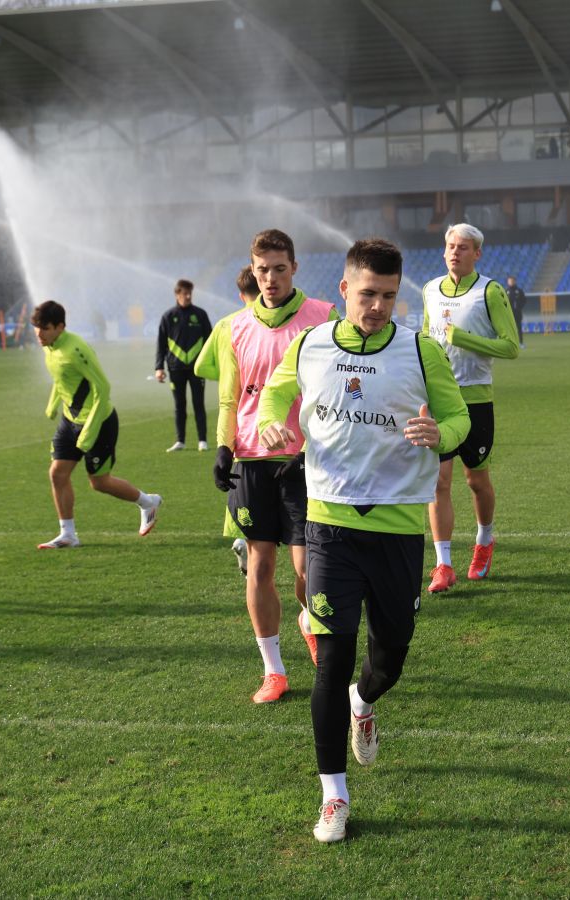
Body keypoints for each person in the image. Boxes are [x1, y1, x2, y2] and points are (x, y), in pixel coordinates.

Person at [257, 237, 469, 844]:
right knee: (330, 660)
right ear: (344, 289)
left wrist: (439, 432)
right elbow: (276, 389)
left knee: (390, 657)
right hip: (328, 525)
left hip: (399, 526)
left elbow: (460, 421)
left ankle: (363, 701)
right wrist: (275, 417)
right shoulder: (311, 342)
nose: (377, 306)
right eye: (367, 293)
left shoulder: (420, 350)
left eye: (388, 296)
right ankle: (333, 797)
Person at [203, 229, 337, 704]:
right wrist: (223, 447)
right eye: (263, 270)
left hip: (304, 461)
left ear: (294, 267)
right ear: (252, 270)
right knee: (259, 564)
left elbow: (334, 391)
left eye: (280, 268)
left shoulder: (322, 317)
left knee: (309, 570)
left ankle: (308, 620)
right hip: (251, 462)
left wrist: (311, 446)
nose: (271, 278)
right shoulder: (232, 326)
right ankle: (273, 670)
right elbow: (228, 397)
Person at [421, 223, 520, 592]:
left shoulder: (489, 291)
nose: (454, 252)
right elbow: (430, 340)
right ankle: (443, 565)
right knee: (438, 483)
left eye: (463, 247)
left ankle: (483, 541)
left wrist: (462, 338)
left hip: (476, 400)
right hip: (441, 399)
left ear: (477, 253)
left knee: (476, 481)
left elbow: (510, 346)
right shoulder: (431, 290)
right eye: (449, 245)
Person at [32, 300, 162, 548]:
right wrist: (53, 404)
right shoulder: (48, 346)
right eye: (36, 328)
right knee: (57, 474)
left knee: (99, 482)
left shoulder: (76, 349)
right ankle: (68, 534)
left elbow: (102, 387)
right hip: (70, 421)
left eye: (45, 328)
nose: (39, 334)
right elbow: (62, 381)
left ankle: (148, 502)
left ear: (60, 327)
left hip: (99, 421)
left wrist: (90, 430)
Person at [196, 265, 257, 576]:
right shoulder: (261, 324)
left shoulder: (225, 325)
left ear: (240, 294)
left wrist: (227, 376)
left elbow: (200, 367)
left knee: (237, 480)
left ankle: (240, 535)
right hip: (269, 418)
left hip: (234, 417)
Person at [154, 279, 213, 452]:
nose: (187, 297)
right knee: (179, 405)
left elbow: (210, 341)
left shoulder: (200, 315)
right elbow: (161, 344)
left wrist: (211, 364)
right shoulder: (168, 316)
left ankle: (202, 440)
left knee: (198, 404)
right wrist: (159, 367)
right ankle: (180, 441)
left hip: (197, 368)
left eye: (190, 293)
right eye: (184, 293)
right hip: (175, 368)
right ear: (177, 294)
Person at [504, 275, 527, 348]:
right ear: (508, 282)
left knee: (519, 328)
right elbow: (502, 301)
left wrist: (519, 307)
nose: (511, 282)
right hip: (508, 314)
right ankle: (510, 343)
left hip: (517, 313)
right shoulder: (506, 291)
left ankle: (521, 343)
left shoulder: (519, 291)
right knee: (509, 329)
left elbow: (524, 300)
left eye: (512, 281)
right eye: (509, 281)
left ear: (515, 281)